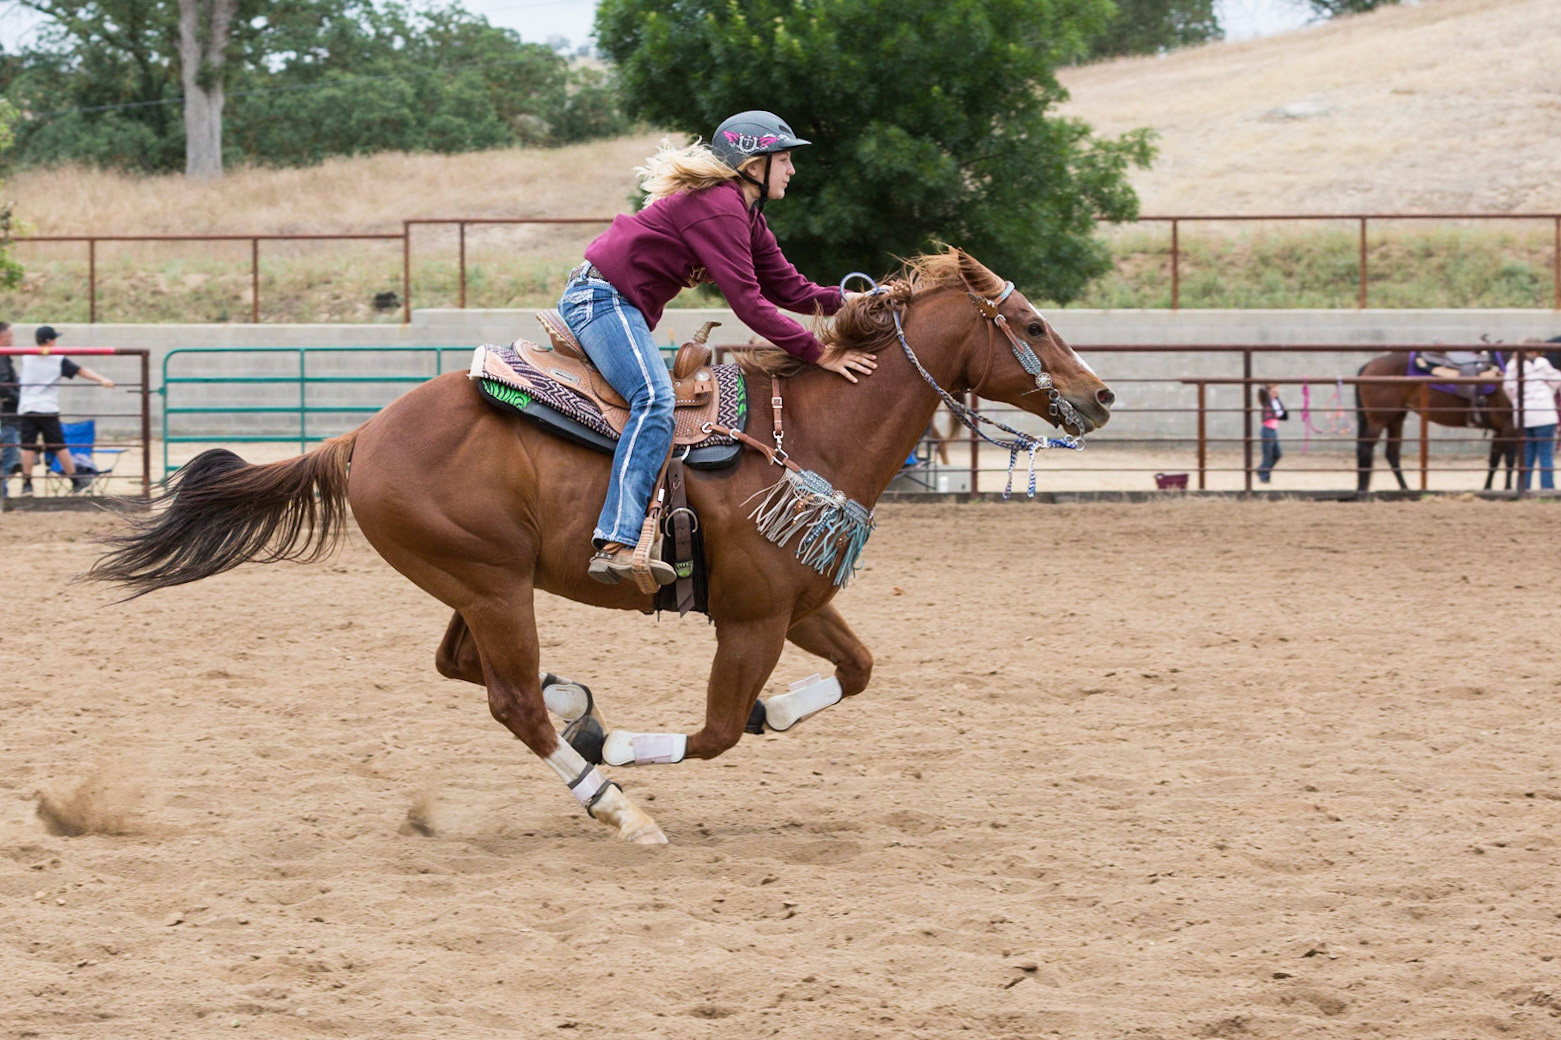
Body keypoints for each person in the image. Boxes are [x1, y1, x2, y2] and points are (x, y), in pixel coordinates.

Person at [558, 111, 877, 585]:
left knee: (652, 400)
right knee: (655, 401)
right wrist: (820, 353)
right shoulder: (719, 206)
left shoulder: (745, 216)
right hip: (602, 301)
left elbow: (788, 287)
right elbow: (747, 303)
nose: (792, 170)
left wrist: (848, 300)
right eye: (784, 159)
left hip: (618, 305)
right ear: (753, 164)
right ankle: (617, 541)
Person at [16, 325, 115, 495]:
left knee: (28, 447)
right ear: (51, 341)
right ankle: (75, 481)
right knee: (59, 445)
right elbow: (81, 371)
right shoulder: (57, 359)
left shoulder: (26, 356)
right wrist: (102, 379)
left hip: (27, 408)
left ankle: (27, 484)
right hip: (47, 409)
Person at [1503, 339, 1561, 490]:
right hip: (1544, 414)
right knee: (1545, 455)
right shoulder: (1542, 363)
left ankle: (1523, 487)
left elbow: (1508, 388)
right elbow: (1557, 381)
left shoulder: (1512, 367)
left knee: (1526, 455)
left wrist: (1518, 402)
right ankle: (1547, 489)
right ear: (1536, 351)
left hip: (1523, 416)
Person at [1256, 382, 1288, 483]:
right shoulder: (1266, 401)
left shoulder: (1276, 401)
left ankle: (1262, 470)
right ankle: (1264, 477)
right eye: (1273, 390)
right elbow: (1262, 390)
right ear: (1268, 391)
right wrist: (1267, 386)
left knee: (1278, 454)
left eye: (1276, 390)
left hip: (1273, 430)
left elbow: (1282, 414)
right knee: (1268, 454)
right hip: (1267, 430)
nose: (1275, 391)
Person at [0, 322, 18, 493]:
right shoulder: (2, 357)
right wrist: (19, 398)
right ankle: (2, 490)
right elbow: (4, 385)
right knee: (8, 453)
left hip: (7, 412)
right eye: (10, 335)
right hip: (7, 413)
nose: (12, 339)